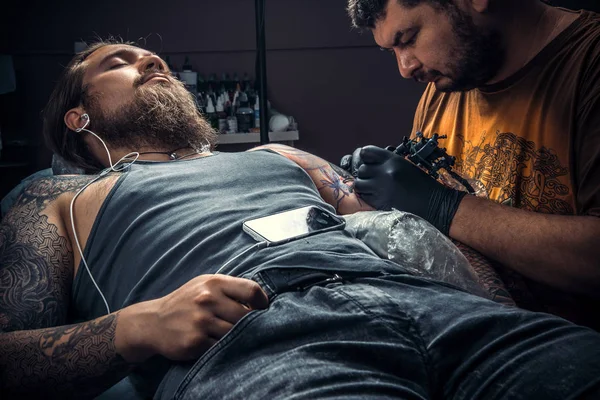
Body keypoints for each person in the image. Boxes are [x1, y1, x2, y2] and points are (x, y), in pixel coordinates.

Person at [1, 41, 600, 400]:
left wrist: (493, 309)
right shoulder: (56, 198)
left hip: (438, 311)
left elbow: (421, 235)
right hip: (259, 341)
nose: (149, 59)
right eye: (119, 63)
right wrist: (137, 327)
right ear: (78, 118)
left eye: (149, 55)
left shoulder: (280, 156)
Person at [343, 0, 600, 328]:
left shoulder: (587, 68)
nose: (404, 68)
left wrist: (446, 208)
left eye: (407, 38)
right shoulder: (449, 83)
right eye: (391, 50)